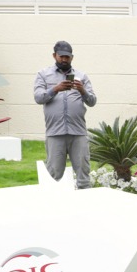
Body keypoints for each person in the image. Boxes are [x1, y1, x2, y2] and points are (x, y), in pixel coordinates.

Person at [33, 40, 96, 189]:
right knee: (54, 175)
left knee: (83, 174)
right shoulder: (43, 74)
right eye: (61, 56)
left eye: (67, 57)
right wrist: (56, 89)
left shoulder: (81, 76)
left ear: (72, 58)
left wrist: (82, 91)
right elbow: (38, 98)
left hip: (78, 132)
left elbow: (92, 101)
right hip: (55, 132)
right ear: (54, 55)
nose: (64, 59)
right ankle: (53, 208)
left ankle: (86, 207)